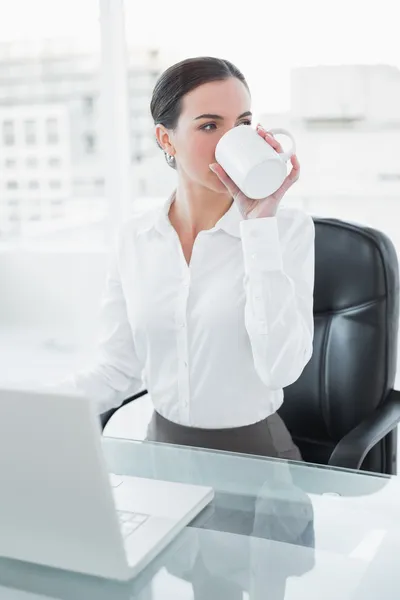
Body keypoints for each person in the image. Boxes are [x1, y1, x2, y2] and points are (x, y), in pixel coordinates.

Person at [58, 56, 315, 461]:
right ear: (166, 139)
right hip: (162, 447)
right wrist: (33, 408)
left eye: (243, 125)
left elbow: (281, 369)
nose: (232, 140)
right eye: (210, 125)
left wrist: (258, 228)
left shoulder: (286, 231)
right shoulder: (135, 239)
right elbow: (118, 369)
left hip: (257, 452)